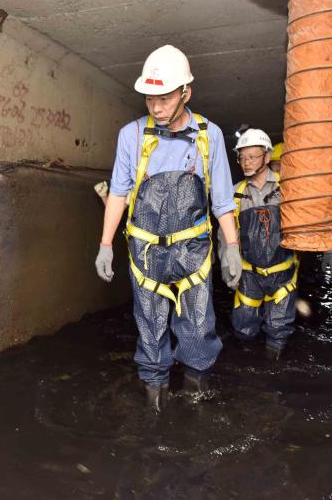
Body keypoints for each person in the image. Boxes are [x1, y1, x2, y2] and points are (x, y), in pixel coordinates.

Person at [94, 45, 242, 411]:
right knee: (150, 327)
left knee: (196, 326)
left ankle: (195, 401)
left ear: (185, 93)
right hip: (146, 251)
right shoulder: (132, 135)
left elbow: (222, 198)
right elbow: (119, 191)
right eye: (149, 99)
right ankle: (154, 405)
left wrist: (233, 246)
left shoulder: (210, 135)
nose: (156, 107)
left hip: (193, 251)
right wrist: (106, 243)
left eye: (164, 98)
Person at [220, 129, 298, 360]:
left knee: (279, 327)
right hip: (249, 274)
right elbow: (225, 235)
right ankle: (248, 369)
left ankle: (273, 369)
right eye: (242, 157)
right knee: (244, 326)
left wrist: (328, 253)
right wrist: (226, 264)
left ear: (267, 157)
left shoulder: (289, 189)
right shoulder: (235, 194)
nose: (246, 162)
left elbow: (309, 221)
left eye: (253, 156)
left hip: (283, 273)